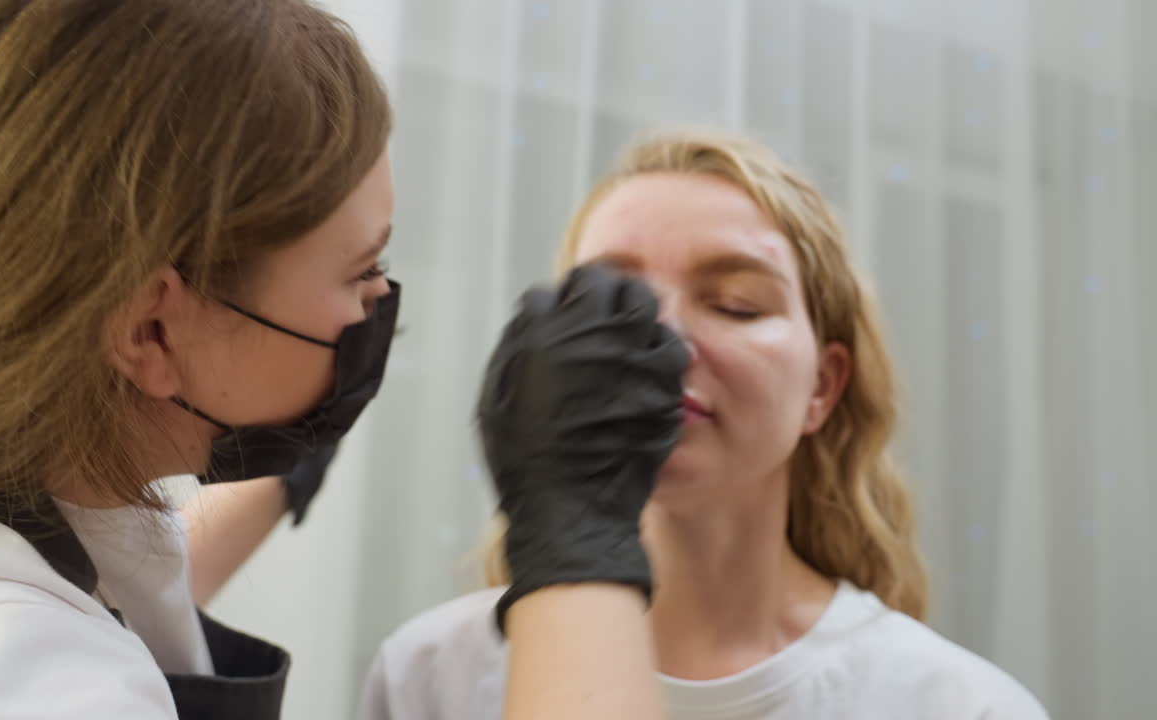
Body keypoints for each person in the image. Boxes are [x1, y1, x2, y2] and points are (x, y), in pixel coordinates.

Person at [0, 2, 684, 719]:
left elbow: (118, 573)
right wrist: (575, 536)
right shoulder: (11, 683)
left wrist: (285, 468)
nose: (379, 305)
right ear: (152, 332)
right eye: (362, 269)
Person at [353, 131, 1051, 720]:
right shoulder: (430, 676)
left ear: (823, 386)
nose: (666, 342)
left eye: (738, 304)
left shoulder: (956, 706)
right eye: (613, 306)